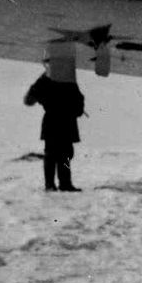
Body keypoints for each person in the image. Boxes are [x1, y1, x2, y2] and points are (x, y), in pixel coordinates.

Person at [25, 64, 86, 192]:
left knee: (52, 155)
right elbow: (79, 105)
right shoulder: (69, 82)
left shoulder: (45, 81)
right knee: (64, 155)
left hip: (52, 122)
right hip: (66, 123)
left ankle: (50, 185)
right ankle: (64, 184)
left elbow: (29, 100)